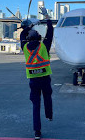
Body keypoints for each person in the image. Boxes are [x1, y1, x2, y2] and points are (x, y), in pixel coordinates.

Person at [20, 7, 54, 140]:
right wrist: (46, 16)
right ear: (39, 37)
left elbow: (22, 35)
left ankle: (37, 132)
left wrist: (28, 25)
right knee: (47, 98)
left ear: (28, 39)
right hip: (45, 78)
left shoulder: (24, 47)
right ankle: (49, 115)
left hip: (33, 80)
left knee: (35, 105)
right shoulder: (44, 45)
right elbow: (50, 31)